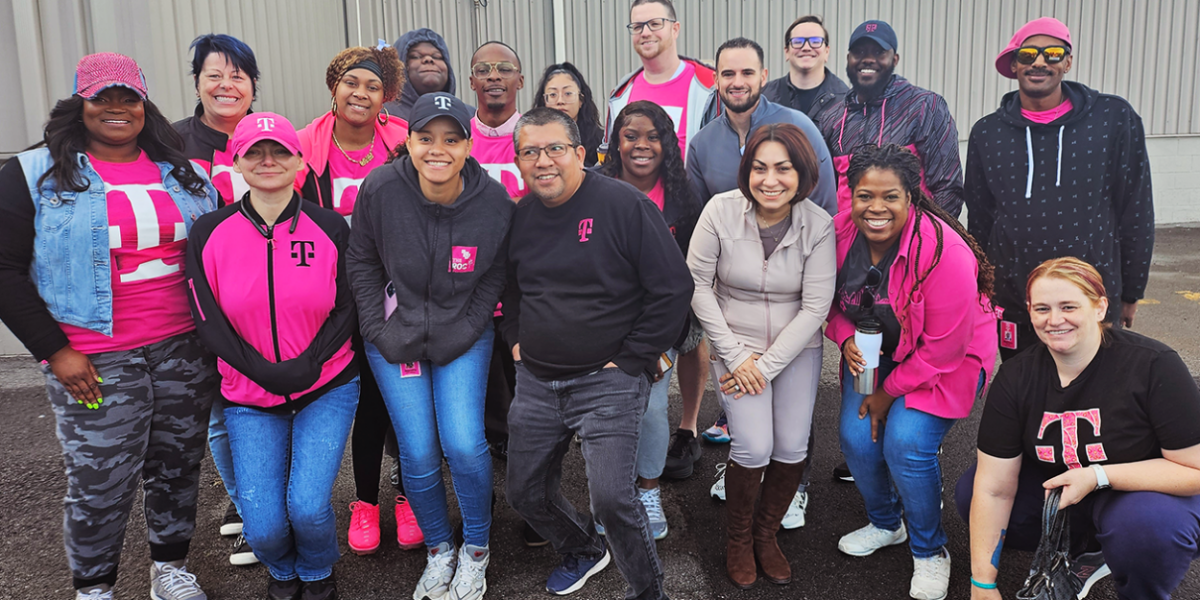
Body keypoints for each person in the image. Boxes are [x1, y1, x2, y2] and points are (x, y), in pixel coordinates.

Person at [0, 52, 219, 600]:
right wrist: (55, 351)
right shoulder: (32, 174)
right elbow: (3, 270)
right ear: (81, 103)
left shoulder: (182, 172)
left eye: (128, 97)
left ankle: (169, 567)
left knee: (176, 465)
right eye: (102, 97)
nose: (116, 108)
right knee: (101, 482)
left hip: (183, 349)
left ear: (144, 103)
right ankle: (94, 587)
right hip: (95, 358)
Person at [501, 108, 693, 599]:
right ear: (519, 161)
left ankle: (648, 592)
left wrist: (633, 359)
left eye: (555, 149)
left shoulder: (623, 206)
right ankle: (584, 548)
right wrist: (516, 341)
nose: (543, 161)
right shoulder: (520, 216)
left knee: (612, 500)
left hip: (608, 380)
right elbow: (514, 289)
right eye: (530, 152)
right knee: (524, 493)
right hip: (537, 380)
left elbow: (672, 288)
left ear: (580, 154)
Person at [347, 92, 516, 600]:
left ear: (469, 144)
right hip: (393, 339)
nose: (437, 149)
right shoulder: (380, 188)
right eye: (425, 138)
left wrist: (467, 328)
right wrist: (377, 330)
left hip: (462, 333)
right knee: (417, 451)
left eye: (451, 138)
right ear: (409, 141)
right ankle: (440, 549)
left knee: (464, 443)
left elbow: (493, 276)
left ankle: (476, 552)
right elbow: (362, 262)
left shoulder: (493, 202)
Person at [186, 113, 358, 600]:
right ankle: (282, 571)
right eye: (255, 152)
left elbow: (348, 305)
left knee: (307, 507)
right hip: (246, 391)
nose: (268, 161)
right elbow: (207, 319)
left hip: (326, 383)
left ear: (300, 160)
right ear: (236, 162)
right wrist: (259, 369)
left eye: (280, 150)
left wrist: (310, 362)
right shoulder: (208, 231)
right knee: (261, 525)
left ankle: (318, 572)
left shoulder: (329, 226)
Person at [956, 257, 1200, 600]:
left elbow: (1195, 471)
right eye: (1042, 308)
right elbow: (994, 488)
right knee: (971, 493)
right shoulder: (1016, 377)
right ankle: (1087, 550)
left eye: (1069, 306)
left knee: (1149, 531)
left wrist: (1099, 475)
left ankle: (1141, 584)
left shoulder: (1154, 365)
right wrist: (983, 583)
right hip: (1066, 491)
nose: (1055, 320)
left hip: (1142, 492)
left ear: (1099, 307)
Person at [827, 144, 997, 600]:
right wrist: (844, 336)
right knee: (857, 439)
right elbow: (822, 303)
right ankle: (886, 523)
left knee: (906, 443)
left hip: (947, 360)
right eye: (865, 196)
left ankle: (929, 550)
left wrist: (886, 395)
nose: (876, 208)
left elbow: (943, 350)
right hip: (876, 351)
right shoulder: (839, 234)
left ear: (912, 197)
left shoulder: (945, 251)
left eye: (890, 197)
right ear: (851, 195)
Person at [672, 37, 836, 494]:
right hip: (736, 306)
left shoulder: (798, 126)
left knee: (792, 425)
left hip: (790, 296)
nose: (737, 82)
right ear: (716, 81)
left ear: (765, 77)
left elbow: (821, 206)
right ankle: (745, 466)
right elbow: (700, 217)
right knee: (751, 429)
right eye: (728, 73)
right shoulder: (704, 144)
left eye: (747, 73)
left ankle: (794, 487)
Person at [688, 123, 835, 589]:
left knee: (791, 447)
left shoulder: (819, 224)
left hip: (795, 348)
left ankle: (765, 536)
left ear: (803, 172)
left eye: (783, 168)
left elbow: (816, 307)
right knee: (753, 446)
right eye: (759, 167)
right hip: (735, 346)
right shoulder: (720, 211)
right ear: (746, 171)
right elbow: (695, 285)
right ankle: (737, 539)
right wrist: (736, 357)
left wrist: (765, 367)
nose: (770, 180)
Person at [965, 17, 1154, 361]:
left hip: (1091, 295)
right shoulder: (987, 133)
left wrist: (1131, 291)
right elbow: (979, 219)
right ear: (1013, 63)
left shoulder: (1113, 119)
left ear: (1068, 61)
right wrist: (984, 291)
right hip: (1016, 301)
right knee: (1024, 392)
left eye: (1052, 53)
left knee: (1094, 395)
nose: (1039, 62)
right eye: (1028, 54)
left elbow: (1135, 209)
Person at [296, 44, 422, 557]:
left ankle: (408, 495)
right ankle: (365, 501)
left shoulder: (401, 142)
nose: (361, 93)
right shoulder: (303, 146)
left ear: (386, 97)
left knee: (401, 397)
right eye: (352, 82)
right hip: (332, 293)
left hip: (397, 291)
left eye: (373, 86)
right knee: (364, 400)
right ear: (334, 86)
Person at [171, 32, 260, 567]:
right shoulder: (172, 143)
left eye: (238, 75)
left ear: (252, 85)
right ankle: (250, 506)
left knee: (265, 407)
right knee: (220, 412)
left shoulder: (269, 137)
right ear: (198, 82)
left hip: (264, 300)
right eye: (214, 75)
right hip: (198, 300)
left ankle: (259, 501)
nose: (227, 85)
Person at [595, 100, 701, 540]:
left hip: (661, 321)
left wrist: (666, 333)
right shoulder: (593, 187)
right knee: (607, 411)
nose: (641, 145)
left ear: (667, 143)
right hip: (603, 319)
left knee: (653, 409)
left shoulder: (684, 194)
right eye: (630, 135)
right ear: (615, 143)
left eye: (652, 136)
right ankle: (609, 494)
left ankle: (648, 489)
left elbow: (691, 270)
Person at [812, 20, 964, 216]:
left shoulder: (924, 107)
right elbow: (823, 191)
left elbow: (948, 187)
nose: (867, 59)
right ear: (848, 58)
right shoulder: (832, 117)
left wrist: (927, 240)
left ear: (895, 59)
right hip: (847, 241)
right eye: (859, 52)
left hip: (911, 240)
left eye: (878, 53)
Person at [602, 0, 720, 161]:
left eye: (655, 24)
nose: (645, 32)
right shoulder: (620, 95)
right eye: (637, 26)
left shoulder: (710, 87)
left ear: (675, 29)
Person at [467, 41, 526, 199]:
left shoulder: (537, 138)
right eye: (483, 70)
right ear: (472, 82)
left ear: (520, 81)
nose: (493, 76)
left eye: (505, 69)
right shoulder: (459, 138)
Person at [763, 15, 849, 118]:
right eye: (798, 42)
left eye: (815, 41)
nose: (806, 48)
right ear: (787, 51)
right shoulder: (765, 97)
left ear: (827, 51)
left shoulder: (845, 99)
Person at [381, 27, 469, 123]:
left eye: (437, 56)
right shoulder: (381, 116)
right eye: (416, 56)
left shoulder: (469, 116)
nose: (428, 59)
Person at [533, 62, 605, 167]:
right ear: (544, 101)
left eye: (568, 93)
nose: (560, 101)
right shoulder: (532, 140)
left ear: (581, 100)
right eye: (553, 94)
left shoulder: (600, 142)